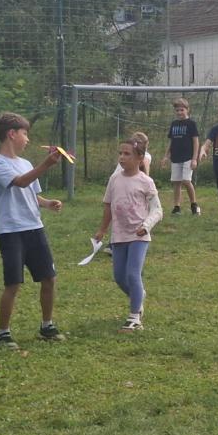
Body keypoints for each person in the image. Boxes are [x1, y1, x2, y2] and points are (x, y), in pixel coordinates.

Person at [0, 112, 66, 349]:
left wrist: (47, 203)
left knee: (49, 278)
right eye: (25, 134)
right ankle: (3, 333)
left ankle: (47, 326)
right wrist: (47, 164)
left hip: (34, 227)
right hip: (10, 231)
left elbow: (31, 192)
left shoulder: (26, 164)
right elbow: (20, 182)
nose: (28, 139)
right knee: (13, 283)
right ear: (12, 134)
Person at [95, 137, 163, 331]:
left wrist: (146, 226)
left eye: (127, 154)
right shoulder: (114, 179)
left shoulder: (146, 182)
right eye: (120, 153)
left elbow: (158, 210)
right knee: (119, 277)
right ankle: (138, 296)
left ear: (140, 158)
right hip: (118, 236)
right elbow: (108, 205)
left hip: (139, 236)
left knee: (133, 274)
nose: (122, 157)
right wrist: (102, 229)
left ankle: (134, 318)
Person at [161, 98, 201, 216]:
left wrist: (194, 159)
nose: (179, 112)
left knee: (186, 180)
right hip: (175, 158)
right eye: (177, 110)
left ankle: (194, 205)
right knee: (176, 182)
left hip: (188, 157)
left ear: (187, 110)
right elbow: (171, 142)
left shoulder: (191, 124)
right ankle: (177, 207)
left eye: (182, 110)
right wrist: (166, 156)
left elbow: (195, 142)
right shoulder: (174, 124)